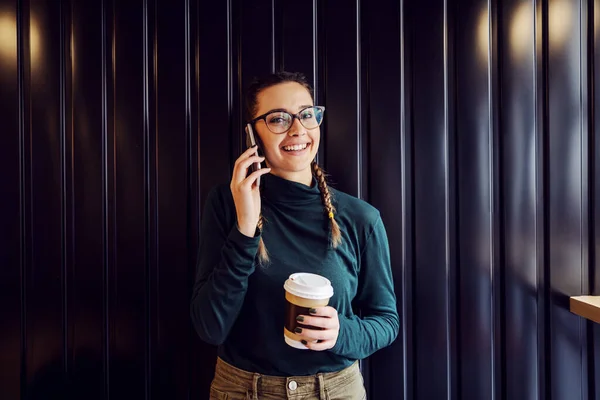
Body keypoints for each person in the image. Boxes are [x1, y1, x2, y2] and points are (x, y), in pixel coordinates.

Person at [191, 71, 399, 400]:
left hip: (335, 390)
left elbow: (386, 321)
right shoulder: (225, 205)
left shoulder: (361, 218)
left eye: (306, 114)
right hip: (242, 391)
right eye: (278, 119)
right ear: (251, 133)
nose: (298, 129)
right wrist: (246, 226)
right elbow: (210, 326)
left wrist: (342, 332)